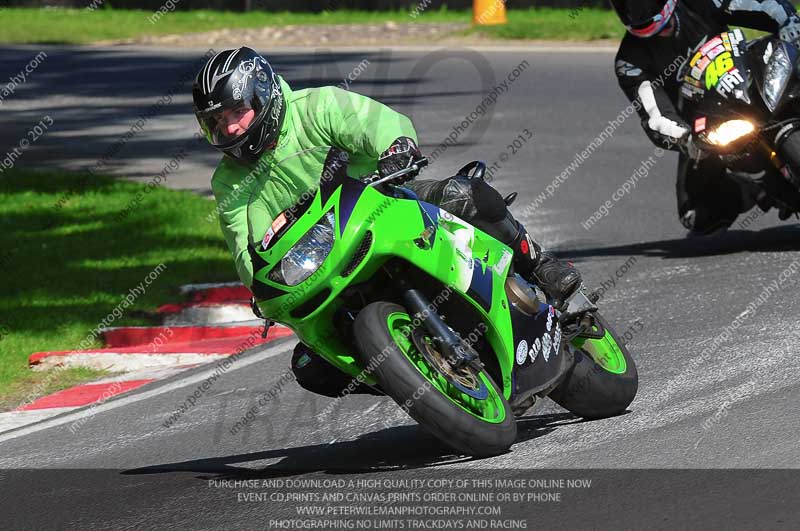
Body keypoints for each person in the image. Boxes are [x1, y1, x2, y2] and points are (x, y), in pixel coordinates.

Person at [193, 47, 580, 396]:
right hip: (323, 262)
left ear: (264, 98)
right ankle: (417, 381)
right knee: (310, 366)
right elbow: (246, 251)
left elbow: (375, 123)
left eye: (237, 113)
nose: (230, 129)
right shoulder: (228, 182)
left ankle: (539, 264)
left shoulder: (316, 106)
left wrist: (395, 148)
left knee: (463, 195)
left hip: (384, 201)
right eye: (217, 120)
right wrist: (261, 283)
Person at [611, 0, 800, 235]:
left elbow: (761, 5)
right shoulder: (630, 62)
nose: (637, 12)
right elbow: (656, 116)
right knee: (695, 214)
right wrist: (686, 139)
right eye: (626, 6)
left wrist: (788, 22)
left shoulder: (701, 2)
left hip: (751, 79)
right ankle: (759, 189)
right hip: (708, 125)